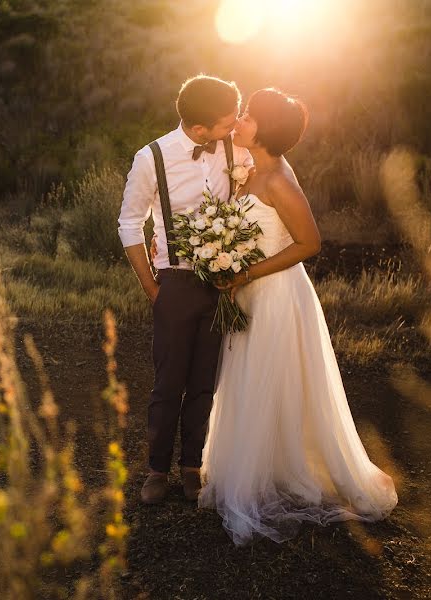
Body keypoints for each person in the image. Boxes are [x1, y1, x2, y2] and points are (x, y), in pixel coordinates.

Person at [198, 88, 398, 544]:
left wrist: (246, 271)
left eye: (247, 116)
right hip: (249, 291)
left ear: (264, 131)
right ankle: (261, 466)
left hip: (276, 295)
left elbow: (310, 243)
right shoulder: (252, 167)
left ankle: (276, 475)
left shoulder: (278, 181)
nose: (240, 120)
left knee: (275, 378)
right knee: (252, 379)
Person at [118, 75, 253, 504]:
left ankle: (192, 466)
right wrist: (152, 288)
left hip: (222, 284)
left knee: (204, 381)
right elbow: (128, 223)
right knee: (167, 382)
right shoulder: (151, 157)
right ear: (199, 130)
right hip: (172, 283)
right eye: (227, 123)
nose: (233, 128)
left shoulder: (238, 152)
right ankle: (156, 470)